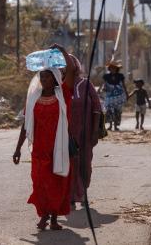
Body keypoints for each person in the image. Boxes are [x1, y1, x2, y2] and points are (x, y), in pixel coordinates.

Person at [13, 44, 76, 231]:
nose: (44, 79)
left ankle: (54, 218)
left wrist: (63, 51)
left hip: (59, 147)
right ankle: (44, 216)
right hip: (40, 150)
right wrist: (17, 149)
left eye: (47, 76)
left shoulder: (63, 94)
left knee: (57, 183)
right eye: (41, 76)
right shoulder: (33, 98)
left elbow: (71, 69)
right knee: (40, 183)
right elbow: (26, 125)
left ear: (55, 79)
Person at [68, 56, 102, 207]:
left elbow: (97, 108)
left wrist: (95, 131)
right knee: (71, 164)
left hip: (86, 133)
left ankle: (84, 192)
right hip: (68, 134)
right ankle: (73, 196)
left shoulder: (86, 84)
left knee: (85, 163)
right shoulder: (58, 85)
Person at [100, 61, 128, 131]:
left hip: (119, 96)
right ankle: (110, 126)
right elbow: (104, 84)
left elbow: (124, 85)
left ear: (117, 69)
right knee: (109, 111)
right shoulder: (106, 76)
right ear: (109, 68)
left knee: (117, 111)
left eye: (114, 68)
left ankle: (115, 126)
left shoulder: (120, 76)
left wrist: (127, 94)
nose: (113, 69)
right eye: (111, 68)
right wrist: (101, 90)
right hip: (109, 96)